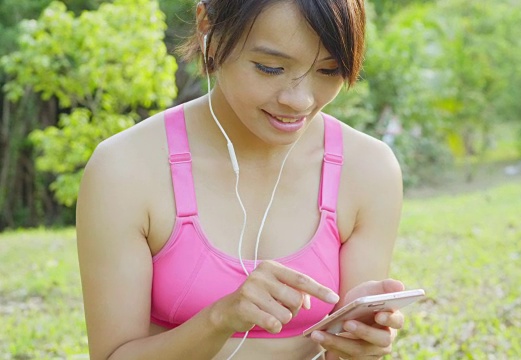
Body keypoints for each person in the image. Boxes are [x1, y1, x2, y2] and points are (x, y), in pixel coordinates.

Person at [76, 0, 405, 359]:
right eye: (270, 68)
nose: (300, 100)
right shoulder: (126, 168)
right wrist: (219, 319)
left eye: (328, 71)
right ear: (209, 29)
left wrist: (357, 344)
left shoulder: (368, 169)